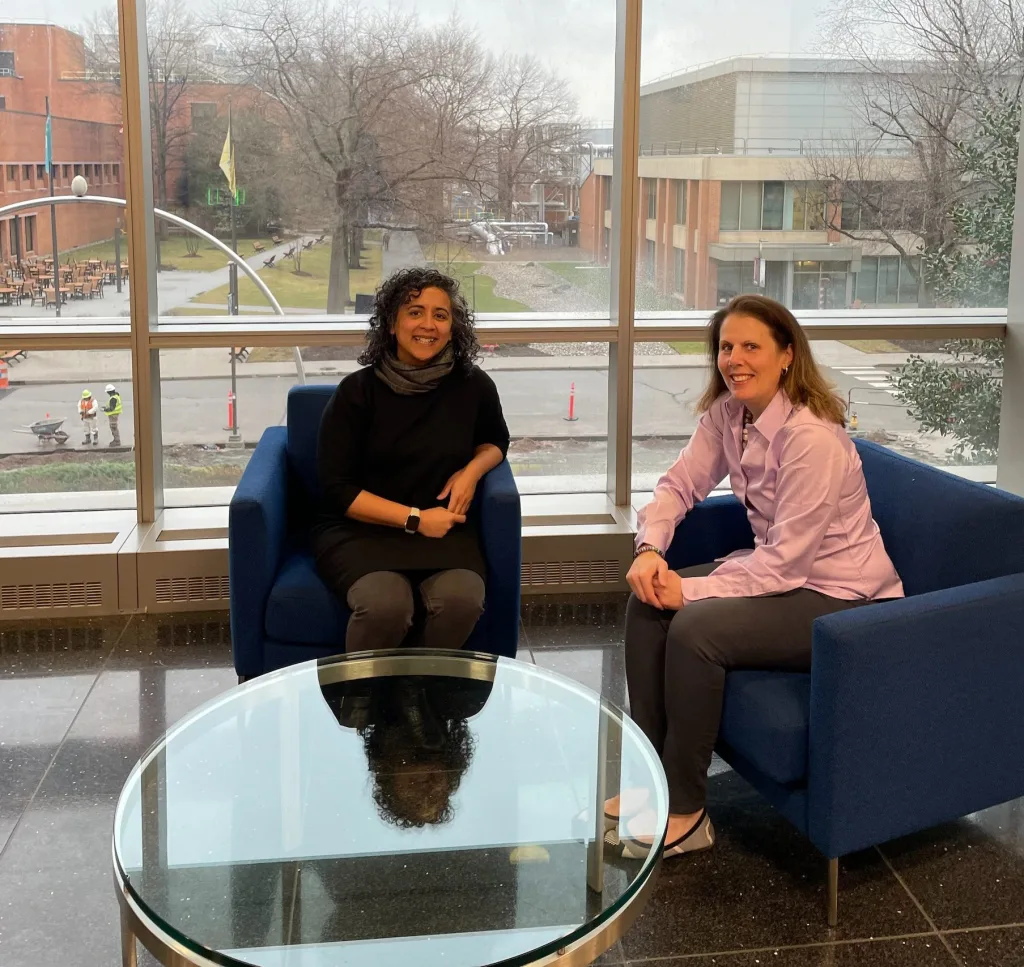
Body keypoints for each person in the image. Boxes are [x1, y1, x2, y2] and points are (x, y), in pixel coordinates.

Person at [611, 294, 904, 859]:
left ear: (787, 355)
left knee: (696, 628)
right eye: (726, 346)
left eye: (751, 346)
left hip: (844, 597)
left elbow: (787, 562)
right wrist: (650, 550)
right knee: (647, 602)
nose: (734, 359)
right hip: (783, 578)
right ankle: (650, 777)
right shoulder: (729, 414)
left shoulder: (810, 437)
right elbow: (678, 486)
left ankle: (688, 811)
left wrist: (690, 589)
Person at [313, 266, 510, 653]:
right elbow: (338, 491)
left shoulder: (473, 386)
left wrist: (472, 471)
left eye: (441, 315)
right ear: (391, 324)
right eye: (415, 311)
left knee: (462, 600)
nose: (429, 324)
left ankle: (416, 694)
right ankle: (363, 697)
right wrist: (416, 520)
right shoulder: (356, 393)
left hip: (443, 530)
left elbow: (496, 441)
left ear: (454, 328)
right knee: (385, 605)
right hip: (363, 530)